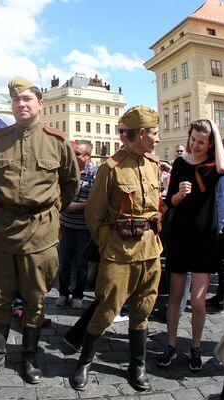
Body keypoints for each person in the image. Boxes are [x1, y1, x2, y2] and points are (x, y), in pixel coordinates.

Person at [0, 76, 79, 385]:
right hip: (4, 230)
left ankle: (30, 358)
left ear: (39, 104)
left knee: (35, 299)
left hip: (41, 231)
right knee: (0, 296)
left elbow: (70, 184)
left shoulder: (58, 141)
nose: (21, 104)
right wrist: (12, 207)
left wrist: (46, 209)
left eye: (27, 99)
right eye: (16, 100)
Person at [70, 106, 162, 392]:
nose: (158, 139)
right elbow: (94, 215)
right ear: (142, 133)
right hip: (119, 253)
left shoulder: (153, 165)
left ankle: (138, 364)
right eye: (155, 133)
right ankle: (84, 360)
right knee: (107, 308)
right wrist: (109, 244)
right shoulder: (111, 168)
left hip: (150, 250)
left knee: (144, 307)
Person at [157, 119, 224, 371]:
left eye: (202, 141)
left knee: (198, 302)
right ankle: (172, 345)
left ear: (210, 144)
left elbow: (221, 167)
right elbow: (170, 202)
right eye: (193, 140)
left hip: (204, 239)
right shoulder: (179, 163)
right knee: (175, 296)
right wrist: (179, 194)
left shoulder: (212, 164)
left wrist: (217, 131)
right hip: (180, 236)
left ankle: (195, 347)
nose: (196, 145)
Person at [56, 140, 97, 309]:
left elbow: (96, 200)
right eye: (73, 153)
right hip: (65, 224)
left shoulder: (95, 174)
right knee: (63, 262)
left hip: (83, 226)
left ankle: (78, 295)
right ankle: (63, 293)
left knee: (81, 262)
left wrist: (77, 206)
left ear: (88, 156)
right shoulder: (66, 171)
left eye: (78, 154)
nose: (73, 156)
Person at [206, 137, 224, 314]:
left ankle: (220, 302)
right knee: (222, 264)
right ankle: (218, 297)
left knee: (223, 266)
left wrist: (221, 225)